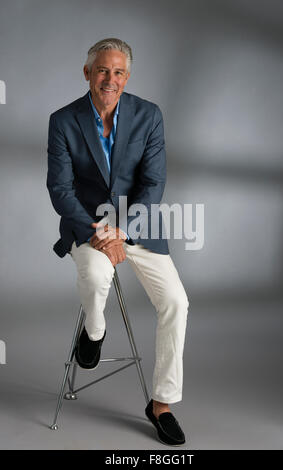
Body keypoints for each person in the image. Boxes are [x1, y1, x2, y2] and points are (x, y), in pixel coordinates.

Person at [47, 38, 189, 446]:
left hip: (136, 227)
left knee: (176, 303)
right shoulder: (63, 120)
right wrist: (97, 231)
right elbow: (60, 188)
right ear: (87, 72)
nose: (111, 79)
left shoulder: (149, 115)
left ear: (127, 77)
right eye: (103, 70)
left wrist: (121, 230)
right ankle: (94, 332)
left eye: (119, 72)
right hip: (86, 226)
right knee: (95, 278)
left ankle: (161, 404)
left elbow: (153, 181)